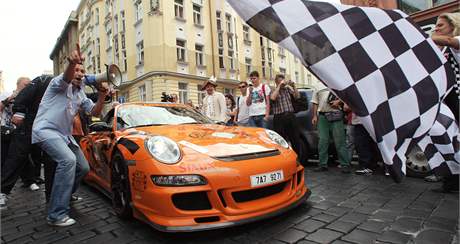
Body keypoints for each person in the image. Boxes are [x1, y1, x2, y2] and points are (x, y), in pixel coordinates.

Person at [32, 46, 109, 226]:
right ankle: (56, 214)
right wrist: (72, 62)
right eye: (76, 70)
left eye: (82, 71)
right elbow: (66, 76)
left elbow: (94, 112)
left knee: (83, 168)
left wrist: (102, 96)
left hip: (64, 135)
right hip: (46, 130)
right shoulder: (58, 83)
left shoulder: (80, 93)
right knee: (68, 161)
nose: (79, 73)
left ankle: (66, 194)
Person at [430, 12, 460, 193]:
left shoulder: (455, 43)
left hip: (457, 98)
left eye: (440, 25)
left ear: (453, 25)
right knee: (447, 138)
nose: (436, 28)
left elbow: (450, 41)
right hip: (445, 100)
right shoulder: (441, 50)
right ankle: (451, 180)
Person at [311, 88, 351, 173]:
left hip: (336, 114)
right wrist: (314, 116)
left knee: (340, 141)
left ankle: (345, 165)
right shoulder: (317, 86)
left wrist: (339, 101)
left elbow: (346, 95)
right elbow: (315, 102)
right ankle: (322, 165)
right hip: (322, 116)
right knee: (322, 141)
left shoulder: (333, 82)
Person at [270, 74, 303, 160]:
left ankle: (297, 159)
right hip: (279, 118)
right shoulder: (273, 90)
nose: (283, 83)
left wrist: (294, 86)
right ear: (277, 82)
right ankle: (283, 160)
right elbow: (273, 98)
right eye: (281, 81)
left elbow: (297, 96)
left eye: (283, 81)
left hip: (290, 116)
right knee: (281, 141)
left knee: (295, 139)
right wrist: (279, 87)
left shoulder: (288, 89)